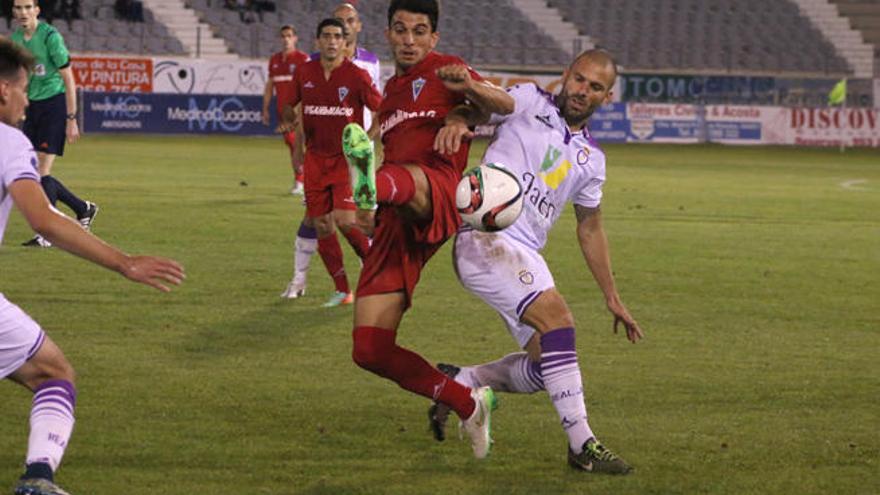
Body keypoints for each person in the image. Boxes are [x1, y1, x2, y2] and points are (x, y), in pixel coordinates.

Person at [426, 49, 644, 474]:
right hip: (485, 240)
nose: (583, 90)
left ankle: (464, 381)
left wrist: (612, 296)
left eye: (595, 87)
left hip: (527, 256)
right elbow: (497, 102)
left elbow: (590, 229)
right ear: (566, 75)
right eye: (579, 79)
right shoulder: (530, 101)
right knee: (560, 323)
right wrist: (469, 89)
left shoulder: (592, 160)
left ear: (608, 95)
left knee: (551, 367)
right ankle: (582, 445)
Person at [0, 37, 185, 495]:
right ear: (4, 91)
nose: (27, 101)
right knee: (54, 372)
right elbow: (41, 216)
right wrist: (124, 263)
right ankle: (37, 480)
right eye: (24, 89)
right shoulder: (9, 142)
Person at [340, 0, 514, 459]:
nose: (409, 40)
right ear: (389, 34)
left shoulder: (448, 69)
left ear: (433, 38)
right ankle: (468, 402)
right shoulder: (391, 94)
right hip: (398, 212)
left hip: (438, 188)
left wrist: (466, 102)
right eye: (400, 30)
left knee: (401, 177)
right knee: (369, 348)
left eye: (419, 31)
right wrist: (370, 211)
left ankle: (368, 184)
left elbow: (505, 105)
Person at [282, 2, 382, 302]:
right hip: (314, 158)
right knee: (321, 222)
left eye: (337, 36)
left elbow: (383, 110)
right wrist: (296, 145)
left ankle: (374, 267)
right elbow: (293, 108)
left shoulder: (357, 75)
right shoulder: (304, 72)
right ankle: (342, 290)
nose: (332, 41)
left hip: (345, 160)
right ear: (317, 41)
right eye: (326, 36)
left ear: (345, 40)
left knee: (346, 219)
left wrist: (367, 141)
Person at [10, 0, 97, 248]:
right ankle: (83, 208)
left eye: (28, 7)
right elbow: (20, 78)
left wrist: (71, 118)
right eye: (18, 8)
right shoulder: (16, 39)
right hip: (34, 108)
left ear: (37, 10)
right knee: (35, 172)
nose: (23, 12)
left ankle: (47, 235)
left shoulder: (50, 37)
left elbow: (68, 78)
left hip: (54, 105)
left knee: (40, 172)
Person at [262, 23, 309, 196]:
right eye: (283, 36)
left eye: (289, 36)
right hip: (283, 113)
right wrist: (265, 108)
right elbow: (270, 86)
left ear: (295, 38)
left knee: (298, 145)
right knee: (292, 146)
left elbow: (308, 86)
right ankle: (301, 180)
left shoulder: (303, 59)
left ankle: (302, 180)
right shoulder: (274, 60)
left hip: (300, 113)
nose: (286, 39)